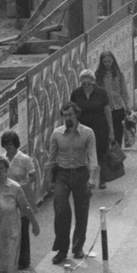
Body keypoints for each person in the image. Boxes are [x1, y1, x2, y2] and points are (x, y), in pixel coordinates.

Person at [46, 102, 98, 264]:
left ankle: (78, 247)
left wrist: (92, 178)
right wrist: (49, 181)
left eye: (70, 115)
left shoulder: (87, 133)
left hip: (81, 173)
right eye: (64, 115)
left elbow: (92, 157)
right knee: (61, 211)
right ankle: (62, 249)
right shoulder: (57, 134)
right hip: (62, 174)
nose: (67, 118)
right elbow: (51, 160)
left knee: (82, 212)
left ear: (76, 116)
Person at [1, 130, 41, 273]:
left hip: (22, 195)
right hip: (7, 196)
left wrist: (23, 184)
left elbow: (33, 177)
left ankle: (24, 260)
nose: (8, 148)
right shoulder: (1, 158)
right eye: (5, 145)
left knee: (23, 227)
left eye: (10, 145)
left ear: (15, 144)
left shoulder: (24, 159)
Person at [70, 68, 114, 180]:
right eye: (84, 84)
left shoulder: (101, 93)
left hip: (100, 127)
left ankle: (103, 178)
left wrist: (111, 131)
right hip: (83, 128)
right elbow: (72, 112)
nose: (86, 86)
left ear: (93, 82)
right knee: (85, 153)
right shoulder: (76, 93)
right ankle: (88, 178)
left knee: (100, 153)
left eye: (89, 84)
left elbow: (108, 112)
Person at [97, 49, 131, 148]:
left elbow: (124, 91)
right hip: (105, 108)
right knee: (106, 133)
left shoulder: (118, 74)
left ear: (113, 61)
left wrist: (127, 105)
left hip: (118, 107)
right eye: (105, 62)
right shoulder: (99, 75)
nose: (107, 64)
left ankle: (117, 155)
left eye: (109, 61)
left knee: (118, 133)